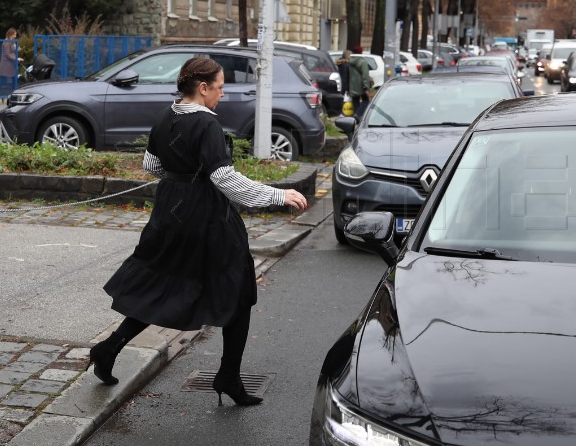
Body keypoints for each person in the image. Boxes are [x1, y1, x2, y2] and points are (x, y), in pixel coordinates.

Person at [89, 57, 308, 407]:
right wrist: (277, 195)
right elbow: (224, 179)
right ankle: (228, 377)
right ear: (203, 88)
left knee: (163, 286)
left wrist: (181, 183)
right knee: (238, 293)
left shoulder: (166, 114)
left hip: (169, 215)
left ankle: (108, 347)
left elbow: (152, 165)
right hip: (208, 220)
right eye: (220, 87)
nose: (223, 94)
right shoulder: (207, 125)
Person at [0, 28, 22, 95]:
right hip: (6, 65)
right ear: (10, 34)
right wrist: (17, 59)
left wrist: (17, 49)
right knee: (2, 79)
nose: (15, 36)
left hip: (11, 64)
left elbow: (12, 50)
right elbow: (7, 54)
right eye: (14, 34)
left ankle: (14, 94)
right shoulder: (6, 42)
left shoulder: (11, 41)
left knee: (14, 79)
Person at [348, 45, 371, 119]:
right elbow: (365, 75)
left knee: (355, 101)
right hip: (361, 86)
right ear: (361, 52)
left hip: (352, 85)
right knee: (366, 101)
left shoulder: (349, 61)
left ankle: (356, 119)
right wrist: (366, 87)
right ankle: (357, 114)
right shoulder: (362, 62)